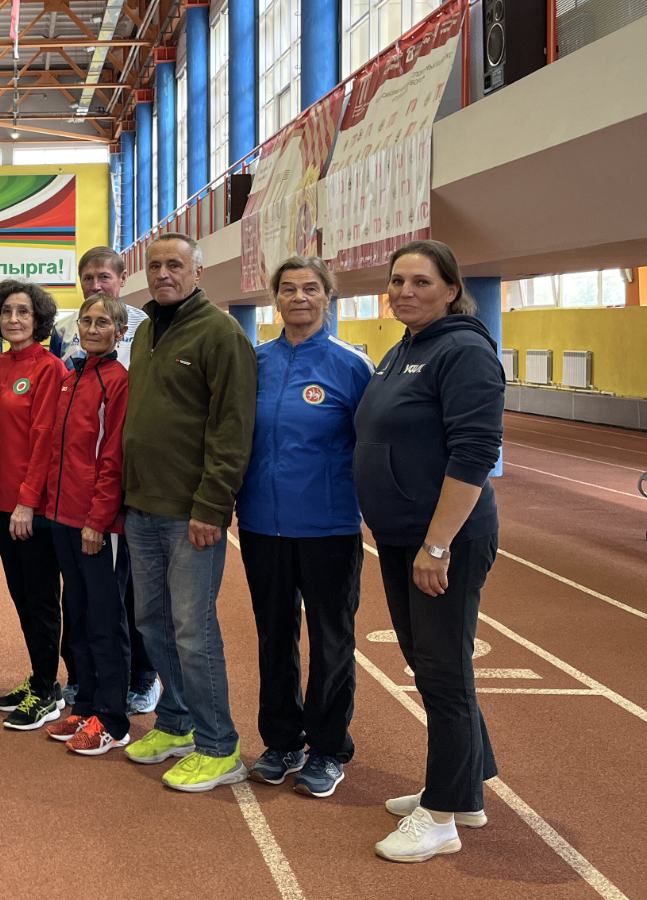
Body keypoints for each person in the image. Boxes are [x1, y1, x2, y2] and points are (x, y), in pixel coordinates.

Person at [356, 240, 504, 863]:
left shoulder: (464, 351)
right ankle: (463, 787)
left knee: (442, 671)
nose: (405, 291)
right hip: (399, 536)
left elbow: (475, 454)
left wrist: (437, 543)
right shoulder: (404, 350)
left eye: (421, 281)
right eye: (397, 281)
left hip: (442, 541)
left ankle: (441, 816)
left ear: (450, 289)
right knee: (430, 663)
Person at [120, 233, 257, 792]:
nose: (163, 274)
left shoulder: (221, 334)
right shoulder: (148, 330)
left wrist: (211, 505)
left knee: (192, 630)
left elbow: (232, 429)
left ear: (198, 271)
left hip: (189, 514)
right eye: (155, 266)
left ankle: (219, 745)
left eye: (175, 265)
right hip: (141, 508)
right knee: (152, 622)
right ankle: (175, 723)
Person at [235, 256, 374, 799]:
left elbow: (370, 446)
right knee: (274, 635)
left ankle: (329, 746)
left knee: (331, 638)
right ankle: (283, 740)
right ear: (275, 300)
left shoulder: (351, 366)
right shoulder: (256, 362)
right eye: (288, 289)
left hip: (329, 527)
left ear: (327, 297)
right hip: (262, 526)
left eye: (310, 289)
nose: (299, 297)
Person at [28, 294, 132, 755]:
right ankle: (86, 704)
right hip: (61, 519)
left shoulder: (118, 382)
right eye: (86, 321)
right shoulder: (70, 379)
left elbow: (113, 457)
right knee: (80, 615)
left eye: (103, 322)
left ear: (119, 331)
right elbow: (55, 453)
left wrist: (98, 519)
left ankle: (112, 717)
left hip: (96, 525)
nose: (92, 328)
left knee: (106, 621)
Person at [76, 247, 160, 716]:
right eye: (87, 277)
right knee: (92, 596)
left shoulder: (144, 328)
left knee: (131, 594)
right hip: (81, 490)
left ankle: (142, 678)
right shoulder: (72, 328)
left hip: (128, 482)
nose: (95, 284)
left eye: (103, 276)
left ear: (122, 278)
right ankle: (89, 681)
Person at [0, 279, 67, 730]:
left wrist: (26, 502)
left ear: (38, 320)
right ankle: (39, 676)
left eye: (23, 313)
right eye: (6, 312)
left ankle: (48, 689)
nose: (13, 320)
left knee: (39, 597)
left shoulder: (48, 367)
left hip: (29, 507)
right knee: (20, 594)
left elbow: (44, 441)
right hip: (0, 503)